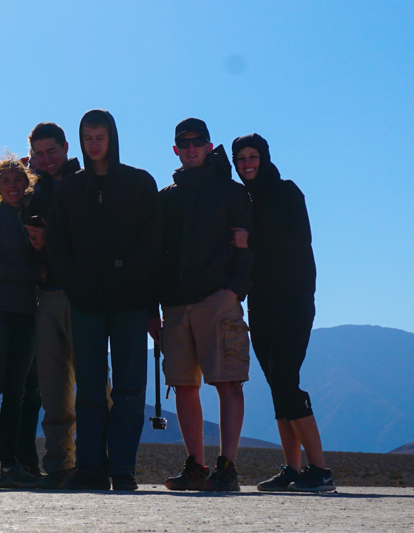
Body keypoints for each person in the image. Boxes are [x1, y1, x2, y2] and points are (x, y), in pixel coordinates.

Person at [48, 110, 163, 491]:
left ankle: (123, 469)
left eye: (101, 136)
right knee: (91, 388)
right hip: (86, 303)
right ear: (80, 141)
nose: (94, 143)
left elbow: (152, 243)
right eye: (88, 137)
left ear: (112, 137)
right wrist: (75, 284)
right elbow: (58, 245)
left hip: (130, 302)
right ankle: (90, 470)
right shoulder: (69, 190)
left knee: (130, 389)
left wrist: (137, 284)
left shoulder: (139, 183)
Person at [230, 133, 335, 492]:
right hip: (260, 301)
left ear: (265, 157)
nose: (247, 163)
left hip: (293, 297)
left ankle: (320, 470)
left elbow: (300, 238)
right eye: (240, 158)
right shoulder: (244, 199)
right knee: (276, 383)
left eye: (253, 156)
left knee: (285, 377)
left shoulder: (287, 191)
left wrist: (252, 241)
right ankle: (292, 469)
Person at [156, 118, 254, 492]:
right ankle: (196, 466)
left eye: (199, 142)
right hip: (176, 305)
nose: (192, 147)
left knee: (228, 383)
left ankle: (226, 467)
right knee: (183, 386)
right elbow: (156, 255)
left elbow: (246, 247)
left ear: (210, 146)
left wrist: (233, 292)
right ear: (176, 150)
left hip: (218, 299)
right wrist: (156, 307)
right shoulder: (167, 197)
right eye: (185, 142)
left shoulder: (231, 193)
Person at [0, 158, 43, 488]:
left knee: (16, 393)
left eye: (19, 179)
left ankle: (10, 462)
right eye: (6, 180)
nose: (13, 185)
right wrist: (31, 275)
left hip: (27, 315)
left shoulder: (33, 219)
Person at [24, 122, 82, 489]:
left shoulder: (88, 181)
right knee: (53, 385)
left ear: (64, 147)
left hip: (82, 295)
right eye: (39, 153)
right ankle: (60, 464)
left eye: (52, 151)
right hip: (46, 294)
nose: (46, 159)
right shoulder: (35, 190)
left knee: (92, 384)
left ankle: (97, 461)